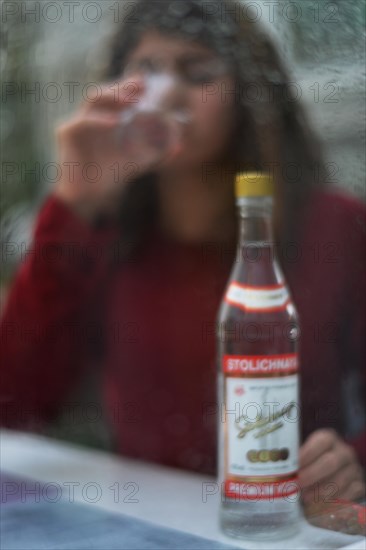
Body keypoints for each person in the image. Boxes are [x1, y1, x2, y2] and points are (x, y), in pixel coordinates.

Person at [1, 0, 365, 507]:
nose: (166, 94)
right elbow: (15, 401)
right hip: (146, 525)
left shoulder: (335, 226)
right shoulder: (100, 235)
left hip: (281, 521)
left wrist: (351, 462)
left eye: (197, 73)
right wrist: (73, 206)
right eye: (145, 70)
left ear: (246, 93)